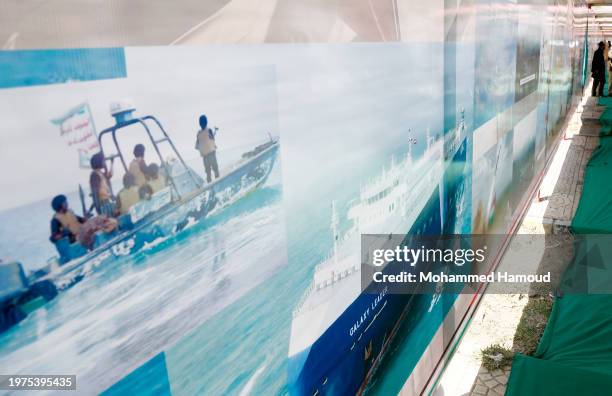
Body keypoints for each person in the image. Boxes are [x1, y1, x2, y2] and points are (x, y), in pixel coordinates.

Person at [195, 114, 220, 183]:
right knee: (216, 170)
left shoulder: (198, 134)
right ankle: (218, 183)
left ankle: (210, 186)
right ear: (206, 122)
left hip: (205, 157)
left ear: (200, 123)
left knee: (208, 173)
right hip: (211, 154)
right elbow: (212, 139)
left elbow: (196, 146)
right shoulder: (209, 130)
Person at [89, 152, 115, 216]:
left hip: (106, 202)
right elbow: (95, 193)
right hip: (103, 205)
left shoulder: (100, 173)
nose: (104, 162)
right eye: (103, 160)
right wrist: (98, 211)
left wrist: (112, 163)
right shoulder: (94, 175)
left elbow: (109, 175)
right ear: (99, 162)